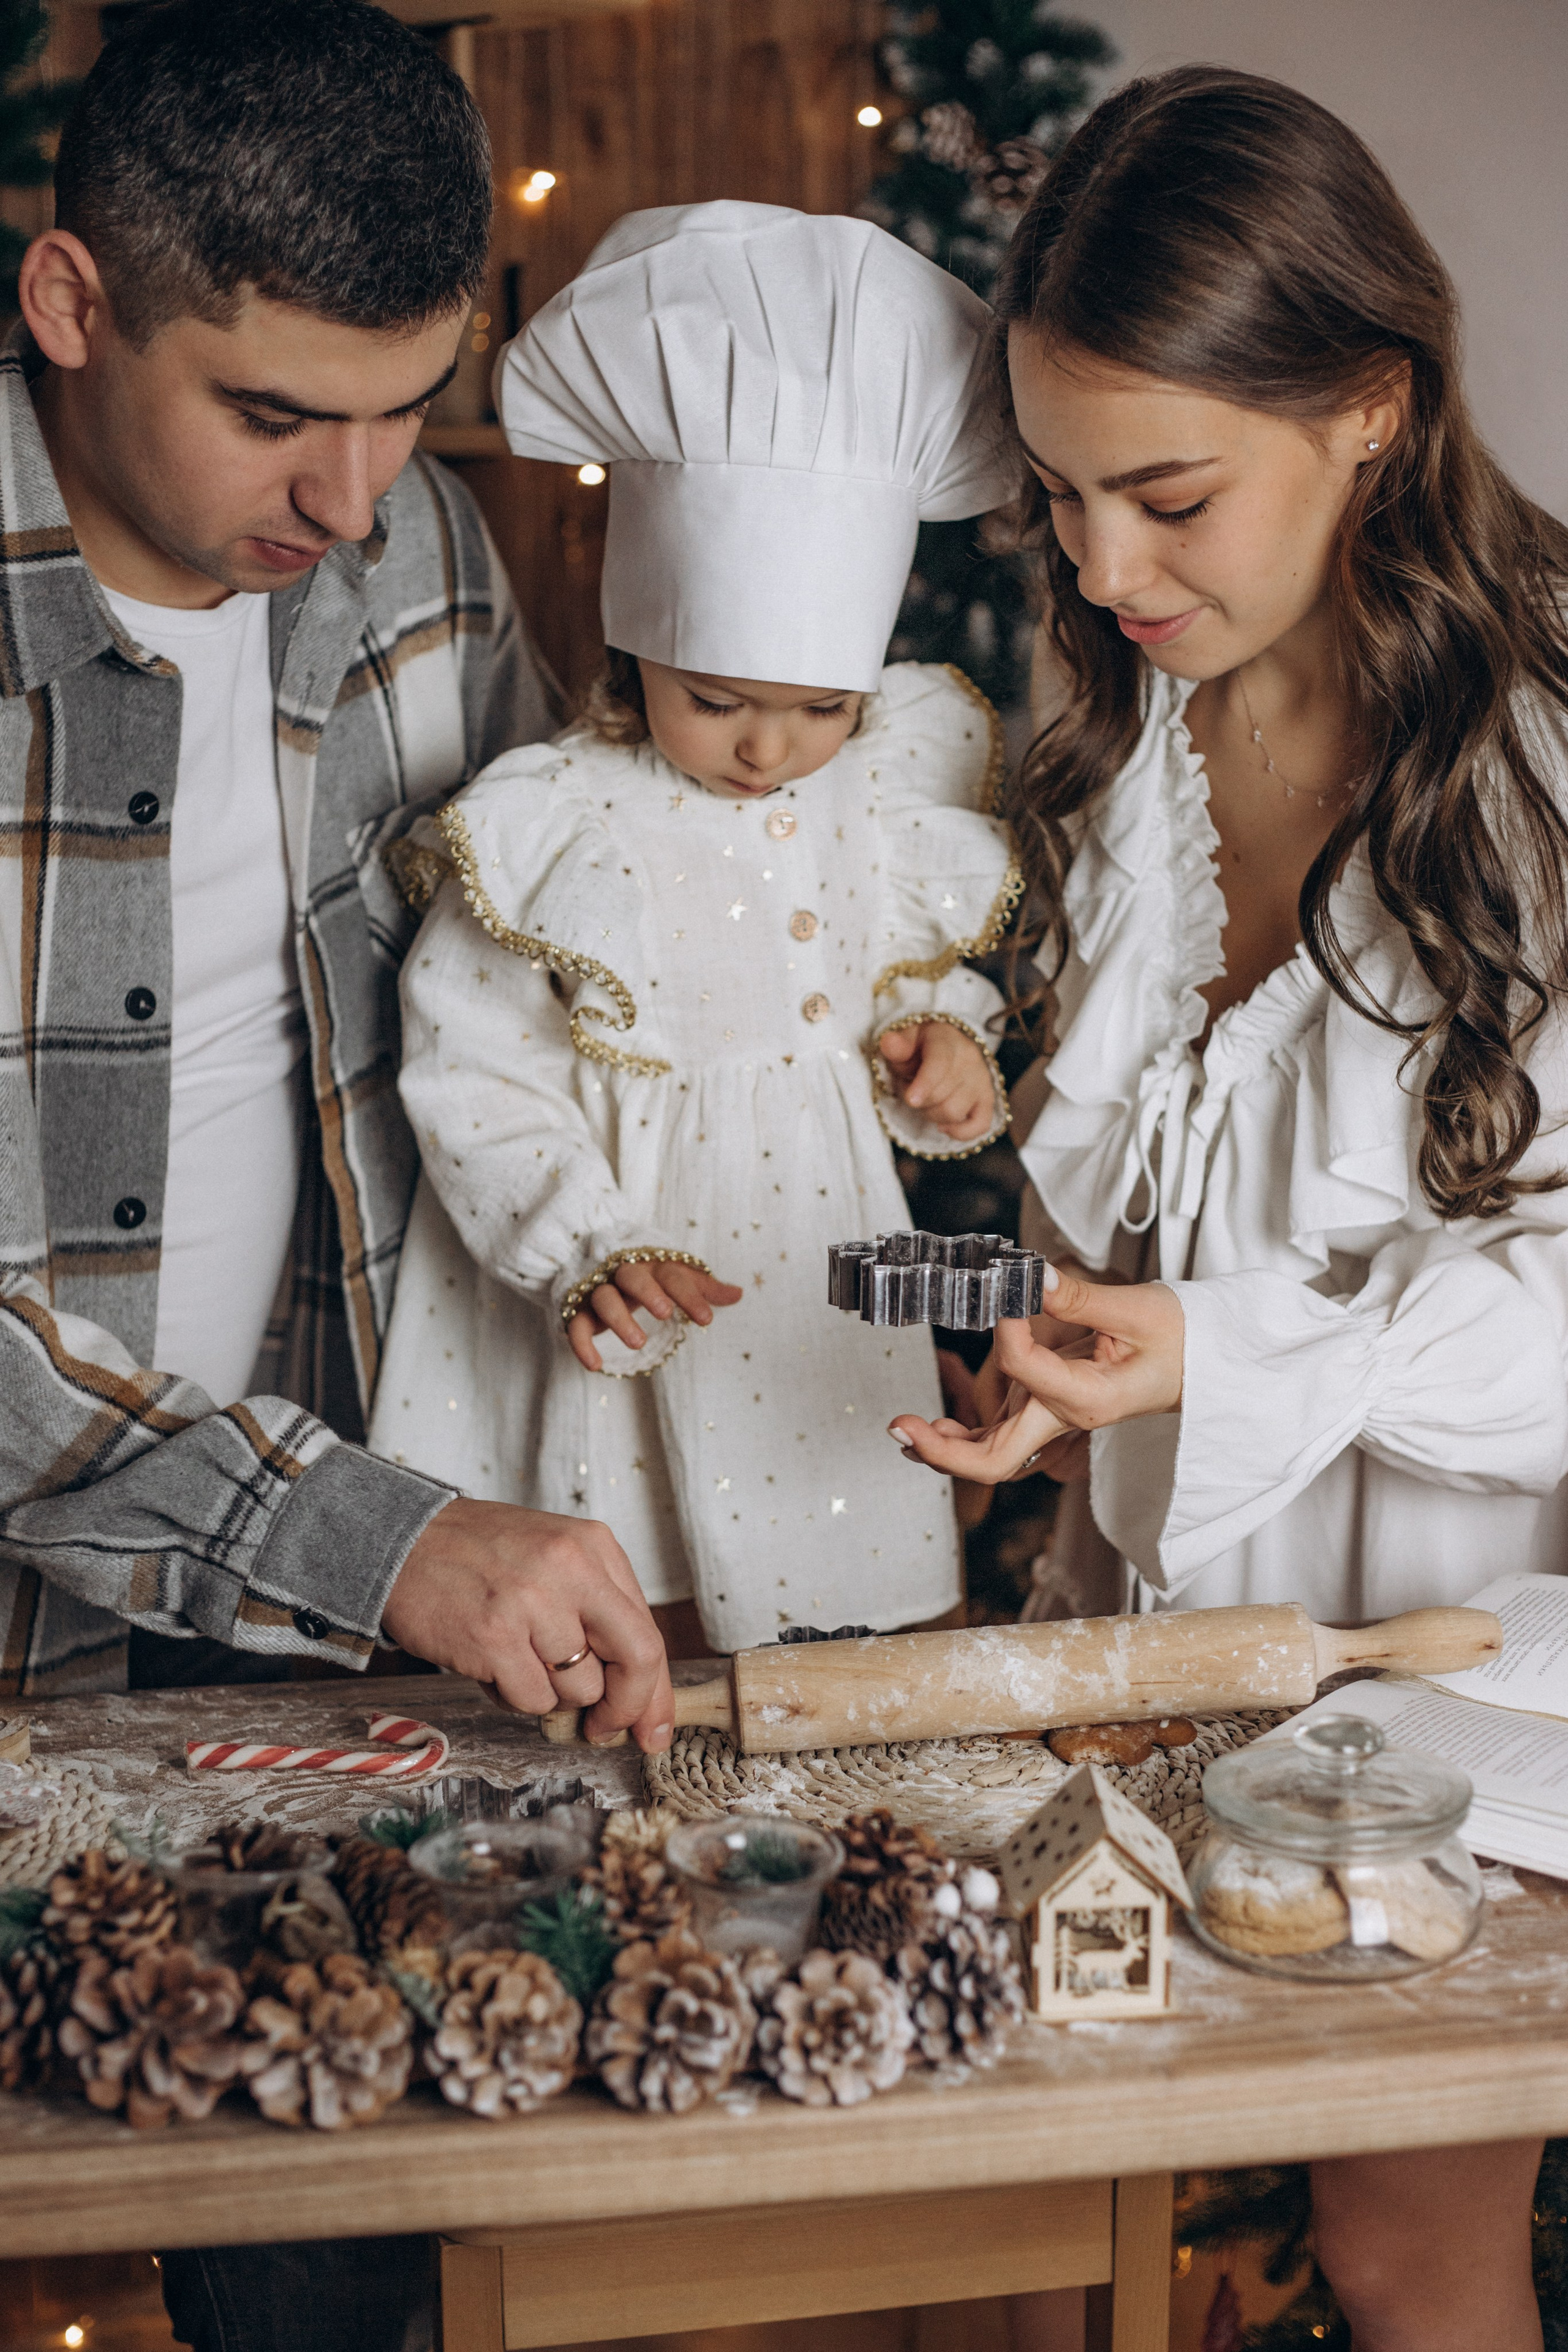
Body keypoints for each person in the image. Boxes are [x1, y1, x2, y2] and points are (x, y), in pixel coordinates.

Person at [1, 4, 671, 2344]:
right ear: (71, 304)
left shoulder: (422, 575)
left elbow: (503, 1030)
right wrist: (377, 1539)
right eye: (278, 414)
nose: (359, 495)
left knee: (326, 2289)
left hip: (319, 1645)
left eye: (410, 408)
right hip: (139, 1597)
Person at [891, 68, 1566, 2352]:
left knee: (1403, 2254)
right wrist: (1061, 1372)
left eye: (1165, 495)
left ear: (1372, 406)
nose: (1097, 570)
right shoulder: (1114, 748)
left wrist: (1247, 1356)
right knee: (1060, 2211)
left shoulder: (1547, 763)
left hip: (1460, 1697)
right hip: (1141, 1651)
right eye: (1060, 498)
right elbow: (1132, 1233)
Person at [369, 202, 1019, 1653]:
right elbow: (472, 1068)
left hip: (818, 1269)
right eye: (715, 699)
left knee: (838, 1603)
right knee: (633, 1577)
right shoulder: (557, 823)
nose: (763, 752)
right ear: (635, 638)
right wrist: (581, 1244)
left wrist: (941, 1055)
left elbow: (911, 991)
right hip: (629, 1244)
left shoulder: (875, 801)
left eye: (814, 711)